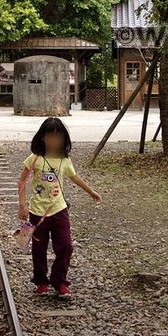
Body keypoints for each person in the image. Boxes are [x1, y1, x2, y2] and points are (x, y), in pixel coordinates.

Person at [17, 118, 101, 299]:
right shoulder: (35, 159)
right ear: (42, 138)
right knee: (38, 250)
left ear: (64, 139)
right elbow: (22, 181)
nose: (54, 141)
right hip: (37, 213)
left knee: (65, 246)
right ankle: (40, 281)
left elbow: (75, 177)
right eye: (50, 136)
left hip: (59, 211)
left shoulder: (64, 160)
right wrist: (22, 205)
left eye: (58, 137)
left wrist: (91, 192)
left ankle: (59, 281)